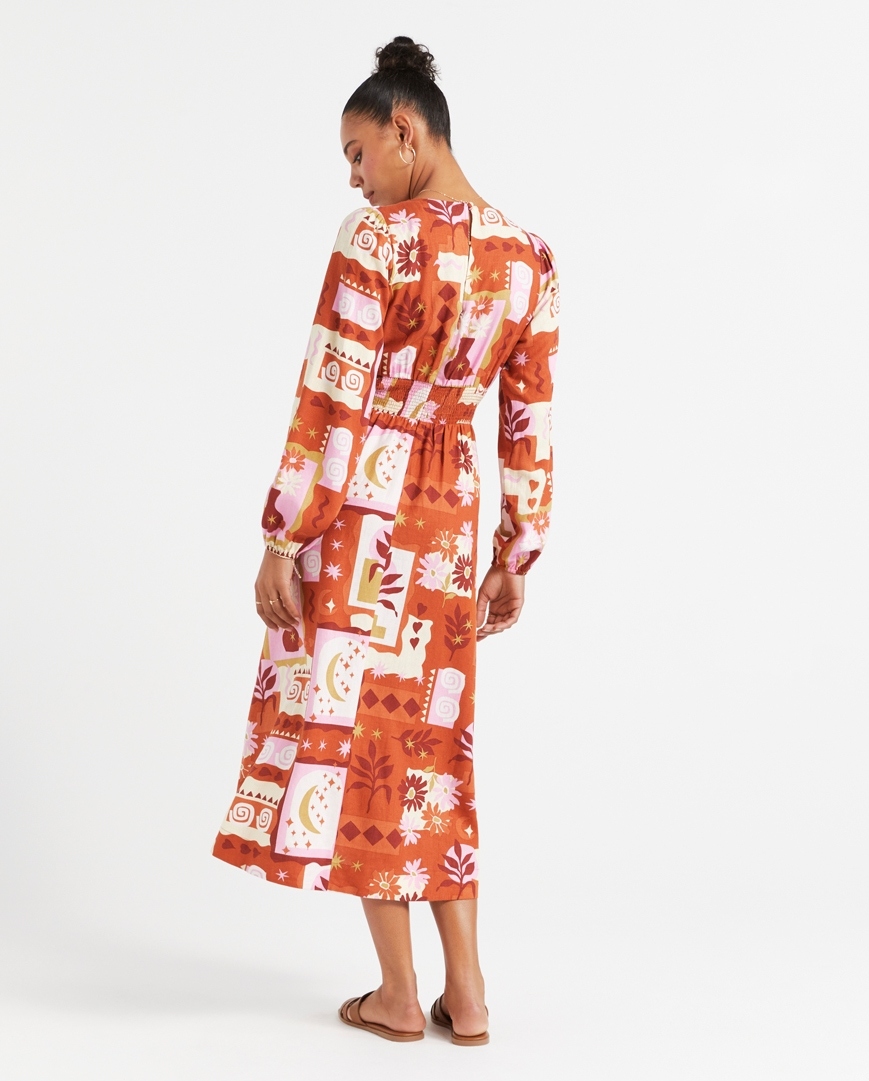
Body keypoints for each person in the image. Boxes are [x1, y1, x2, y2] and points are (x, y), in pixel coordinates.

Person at [212, 35, 559, 1046]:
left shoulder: (377, 242)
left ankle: (401, 996)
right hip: (449, 522)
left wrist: (283, 534)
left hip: (363, 519)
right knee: (435, 751)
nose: (355, 179)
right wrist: (515, 552)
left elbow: (330, 397)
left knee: (364, 748)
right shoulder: (528, 258)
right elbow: (529, 420)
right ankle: (469, 995)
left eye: (358, 153)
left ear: (406, 130)